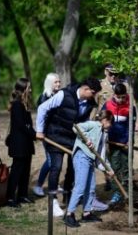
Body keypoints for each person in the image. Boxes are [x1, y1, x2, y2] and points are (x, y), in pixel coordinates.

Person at [36, 78, 102, 217]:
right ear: (85, 89)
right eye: (93, 92)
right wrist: (40, 130)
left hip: (72, 139)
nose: (94, 96)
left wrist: (88, 140)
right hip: (54, 135)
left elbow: (83, 123)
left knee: (73, 168)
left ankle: (68, 195)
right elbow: (43, 108)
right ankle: (53, 202)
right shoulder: (64, 95)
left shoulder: (90, 103)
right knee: (56, 167)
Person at [63, 111, 115, 228]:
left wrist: (108, 169)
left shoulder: (104, 133)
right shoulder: (93, 124)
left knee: (90, 187)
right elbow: (77, 128)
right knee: (80, 186)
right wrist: (87, 140)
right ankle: (69, 214)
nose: (111, 126)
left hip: (90, 160)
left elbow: (101, 156)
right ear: (106, 120)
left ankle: (87, 213)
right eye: (110, 123)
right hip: (82, 156)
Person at [103, 83, 137, 205]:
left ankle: (128, 194)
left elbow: (131, 127)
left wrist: (129, 140)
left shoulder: (130, 107)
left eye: (123, 97)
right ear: (114, 95)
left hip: (126, 143)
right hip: (112, 143)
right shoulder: (107, 106)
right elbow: (102, 121)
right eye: (119, 97)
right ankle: (117, 193)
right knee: (114, 168)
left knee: (127, 168)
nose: (121, 99)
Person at [6, 78, 37, 208]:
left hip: (26, 144)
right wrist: (35, 134)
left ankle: (22, 195)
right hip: (19, 144)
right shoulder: (17, 105)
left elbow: (28, 125)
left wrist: (33, 133)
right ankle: (10, 197)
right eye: (28, 87)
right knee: (17, 171)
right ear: (23, 89)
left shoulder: (25, 104)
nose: (30, 90)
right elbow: (21, 126)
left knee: (25, 170)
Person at [32, 73, 62, 197]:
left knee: (57, 161)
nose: (59, 84)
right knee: (50, 161)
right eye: (56, 82)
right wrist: (41, 132)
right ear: (50, 83)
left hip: (57, 133)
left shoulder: (59, 96)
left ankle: (54, 184)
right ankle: (38, 185)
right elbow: (41, 116)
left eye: (59, 82)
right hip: (47, 134)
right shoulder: (44, 97)